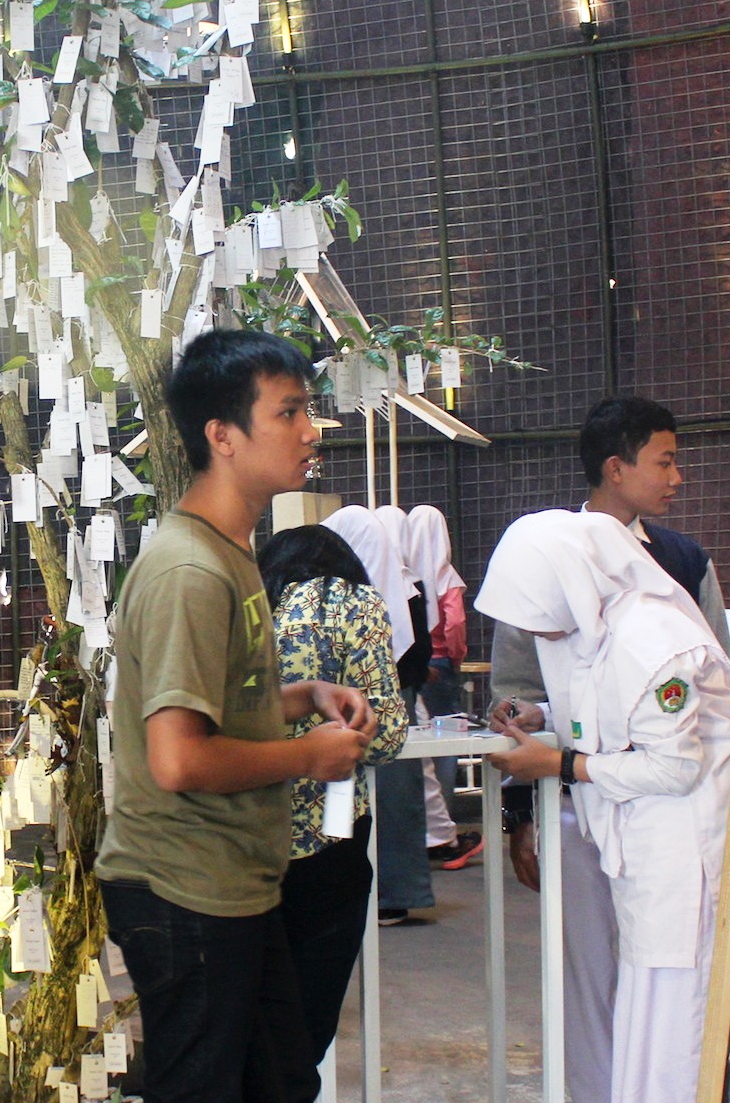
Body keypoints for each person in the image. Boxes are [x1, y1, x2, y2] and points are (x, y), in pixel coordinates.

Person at [94, 328, 376, 1103]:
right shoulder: (190, 569)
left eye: (307, 411)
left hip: (232, 884)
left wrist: (304, 697)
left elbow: (219, 710)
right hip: (185, 891)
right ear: (222, 435)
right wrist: (308, 756)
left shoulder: (230, 551)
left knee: (281, 1081)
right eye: (288, 413)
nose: (311, 432)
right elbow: (178, 758)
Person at [488, 395, 729, 1096]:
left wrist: (559, 760)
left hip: (665, 838)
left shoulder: (662, 610)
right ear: (614, 469)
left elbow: (675, 753)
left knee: (670, 1005)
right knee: (598, 983)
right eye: (666, 460)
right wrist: (535, 740)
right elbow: (574, 704)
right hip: (598, 820)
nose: (676, 476)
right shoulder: (559, 577)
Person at [257, 524, 409, 1066]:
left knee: (250, 1027)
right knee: (302, 1032)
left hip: (243, 842)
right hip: (330, 838)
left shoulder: (243, 601)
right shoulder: (353, 602)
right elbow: (386, 735)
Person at [324, 505, 433, 925]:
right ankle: (399, 891)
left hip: (359, 716)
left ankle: (384, 893)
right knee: (397, 803)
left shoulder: (346, 600)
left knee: (367, 803)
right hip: (392, 711)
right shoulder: (404, 589)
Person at [402, 503, 479, 868]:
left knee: (419, 750)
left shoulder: (400, 573)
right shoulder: (445, 576)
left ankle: (424, 822)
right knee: (447, 743)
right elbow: (455, 626)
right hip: (442, 667)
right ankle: (446, 821)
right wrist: (454, 658)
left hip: (412, 668)